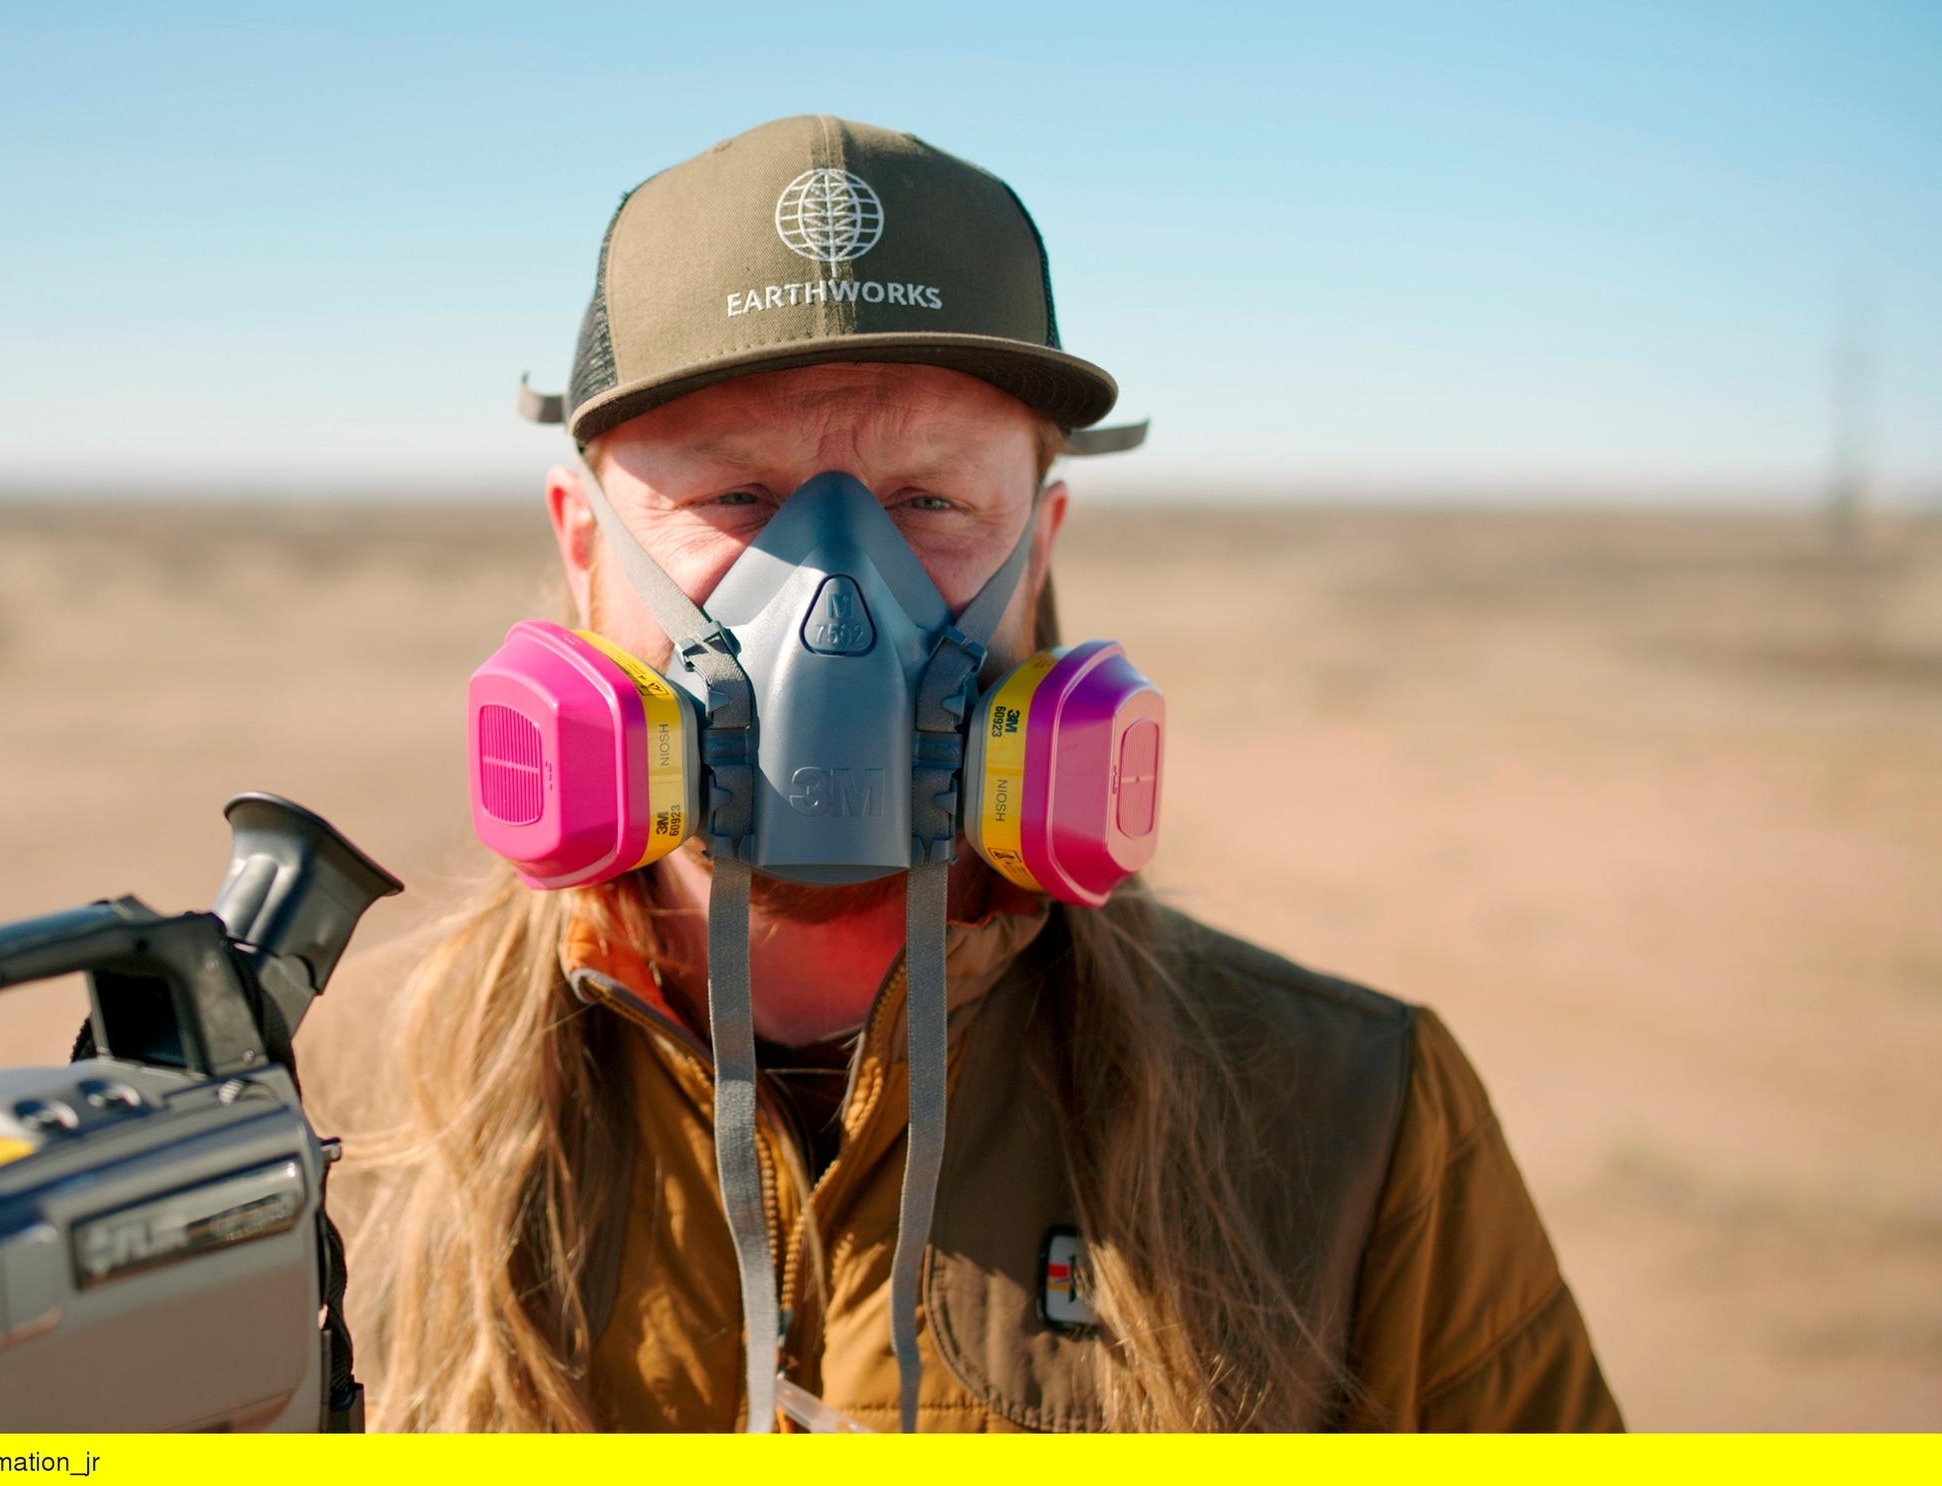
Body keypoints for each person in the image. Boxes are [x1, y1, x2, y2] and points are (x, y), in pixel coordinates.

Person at [300, 115, 1621, 1433]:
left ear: (1036, 547)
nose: (827, 600)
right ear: (584, 546)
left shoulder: (1352, 1124)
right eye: (739, 497)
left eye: (927, 500)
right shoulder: (340, 1112)